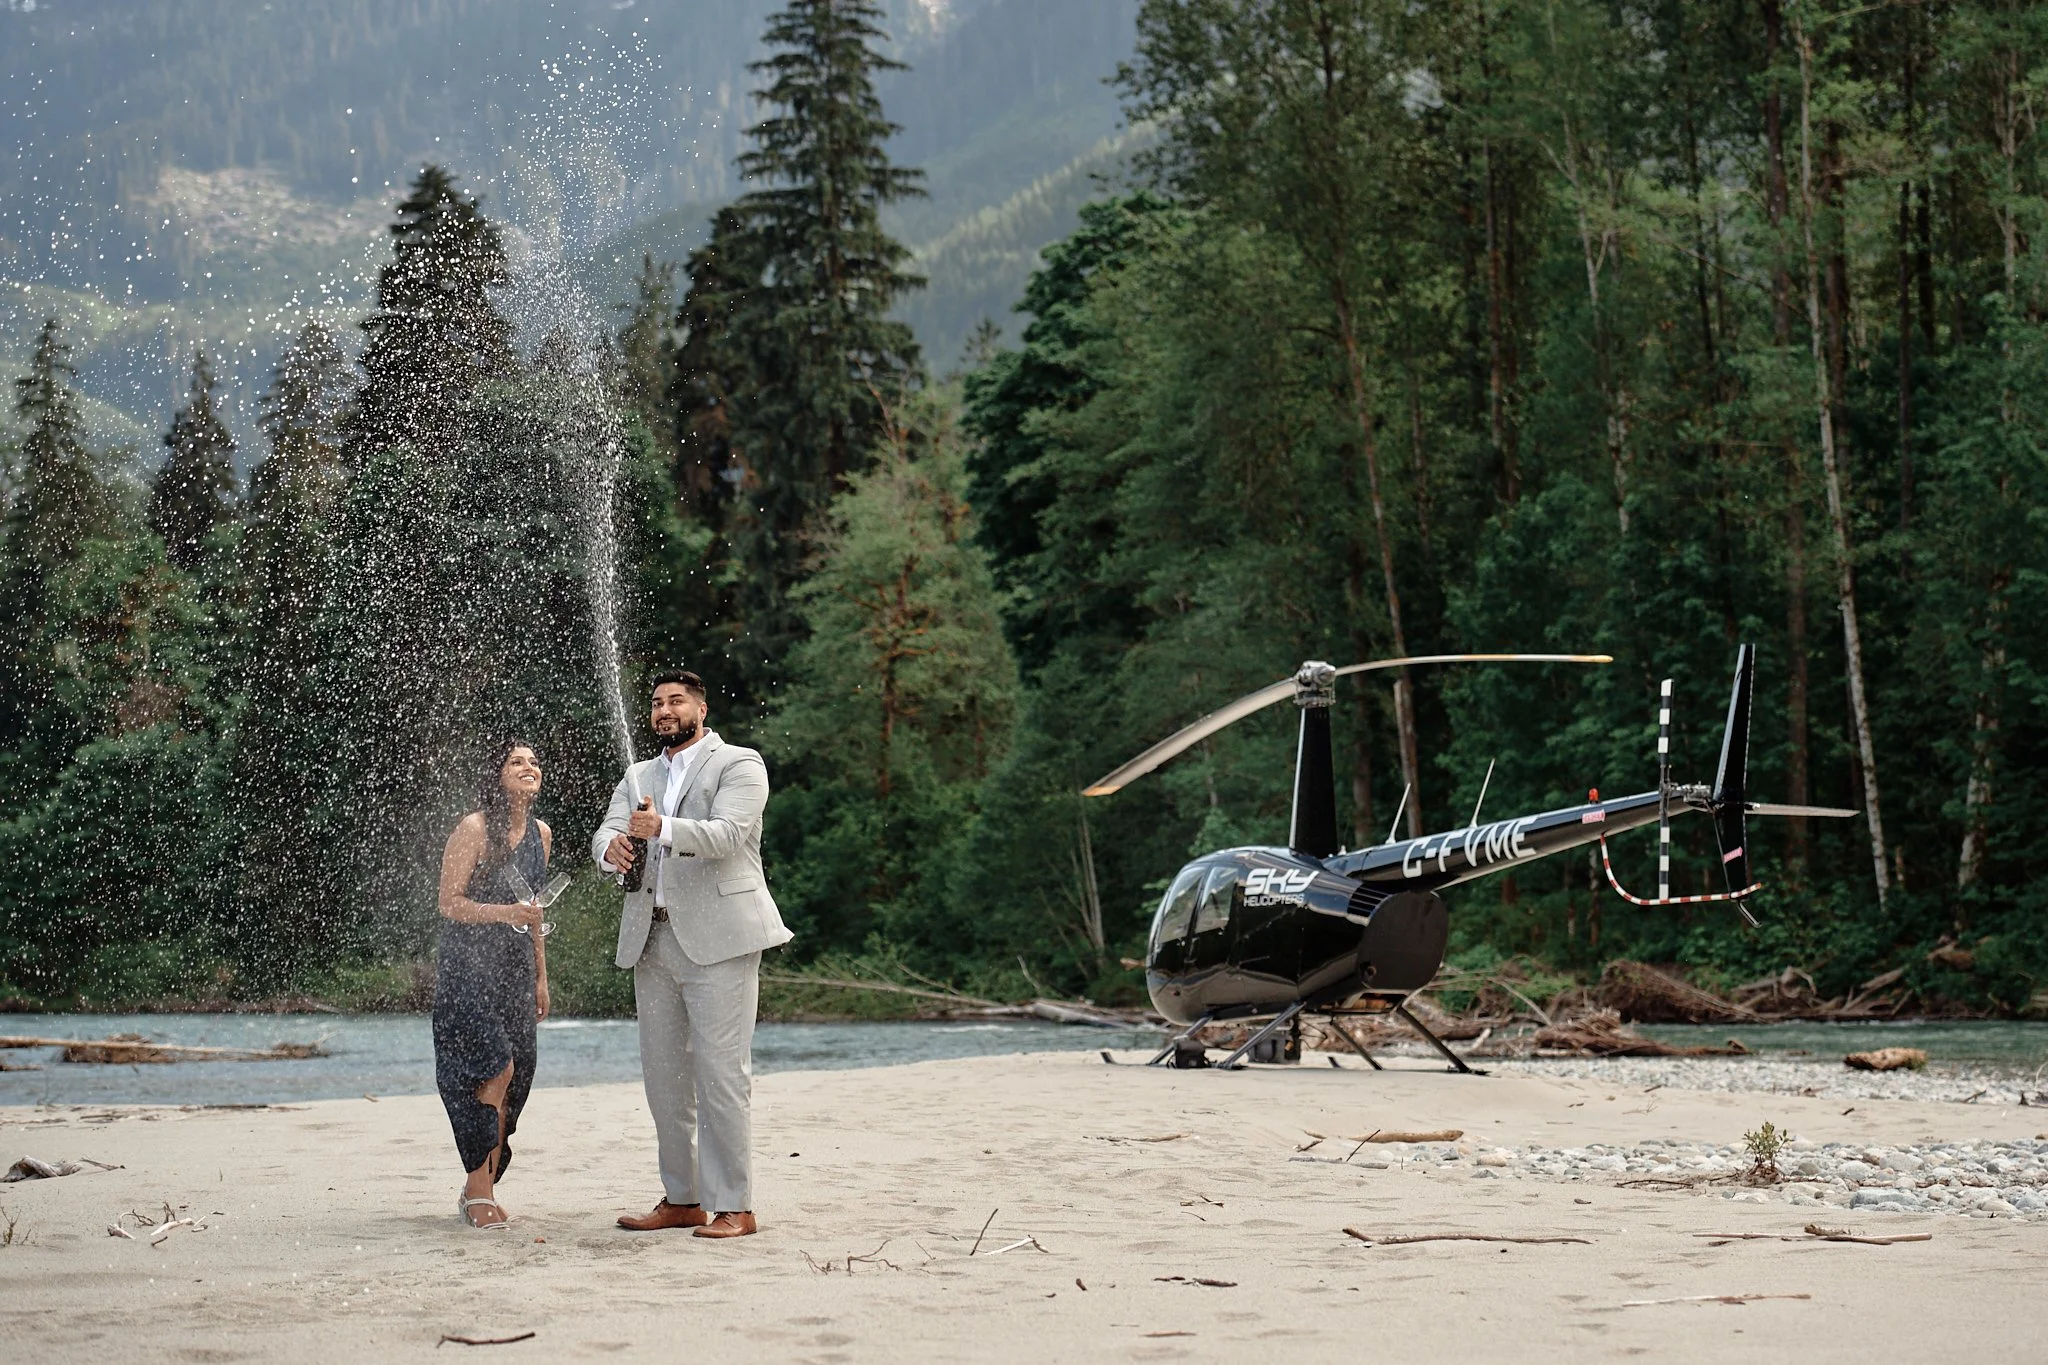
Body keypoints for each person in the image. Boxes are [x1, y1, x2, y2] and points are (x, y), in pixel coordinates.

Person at [594, 669, 791, 1239]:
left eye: (677, 701)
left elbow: (727, 834)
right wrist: (615, 850)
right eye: (657, 703)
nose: (664, 711)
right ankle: (682, 1199)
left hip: (721, 943)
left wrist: (661, 827)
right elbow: (603, 835)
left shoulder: (740, 764)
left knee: (722, 1076)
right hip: (651, 942)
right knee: (665, 1081)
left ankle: (737, 1206)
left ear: (701, 709)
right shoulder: (637, 774)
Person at [434, 738, 552, 1229]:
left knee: (517, 1075)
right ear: (497, 774)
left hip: (516, 968)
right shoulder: (473, 828)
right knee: (493, 1067)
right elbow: (449, 903)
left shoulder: (542, 834)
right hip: (467, 966)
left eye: (534, 761)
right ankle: (478, 1190)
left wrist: (542, 975)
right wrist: (507, 913)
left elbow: (536, 911)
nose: (529, 767)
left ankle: (477, 1185)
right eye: (516, 761)